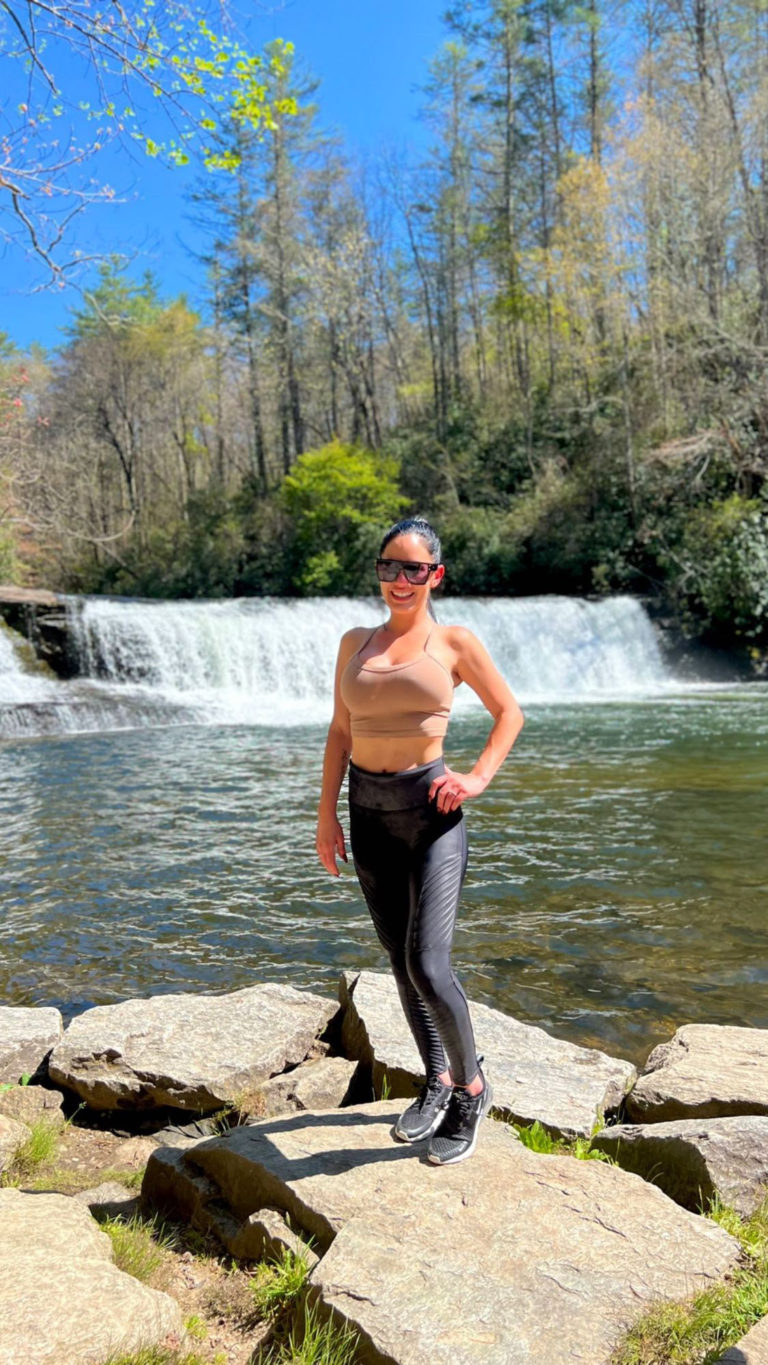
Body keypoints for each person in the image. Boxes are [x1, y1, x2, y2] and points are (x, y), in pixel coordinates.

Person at [316, 517, 524, 1165]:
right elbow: (339, 734)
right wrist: (327, 816)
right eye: (388, 567)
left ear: (435, 574)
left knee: (429, 962)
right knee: (399, 958)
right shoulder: (355, 641)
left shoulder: (453, 641)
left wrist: (477, 777)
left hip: (431, 813)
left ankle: (472, 1088)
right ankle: (435, 1079)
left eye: (413, 569)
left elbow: (508, 712)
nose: (399, 581)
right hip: (369, 813)